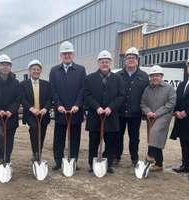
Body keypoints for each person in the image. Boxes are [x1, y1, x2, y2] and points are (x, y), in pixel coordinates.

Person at [84, 50, 124, 173]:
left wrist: (110, 108)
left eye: (107, 61)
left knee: (111, 142)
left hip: (111, 116)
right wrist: (97, 107)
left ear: (110, 63)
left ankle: (108, 163)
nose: (104, 64)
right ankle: (92, 163)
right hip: (95, 116)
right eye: (102, 62)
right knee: (94, 142)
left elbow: (121, 96)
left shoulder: (118, 79)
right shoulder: (90, 78)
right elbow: (87, 95)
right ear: (98, 63)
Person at [49, 41, 86, 170]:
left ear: (73, 54)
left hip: (76, 111)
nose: (67, 55)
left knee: (75, 138)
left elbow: (83, 89)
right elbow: (52, 90)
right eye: (64, 53)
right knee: (59, 138)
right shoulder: (54, 71)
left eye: (69, 53)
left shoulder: (81, 70)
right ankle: (58, 161)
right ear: (61, 55)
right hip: (60, 111)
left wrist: (77, 105)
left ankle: (73, 161)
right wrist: (58, 105)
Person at [116, 47, 149, 166]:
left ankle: (134, 158)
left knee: (134, 137)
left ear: (137, 60)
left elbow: (147, 95)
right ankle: (116, 156)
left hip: (135, 113)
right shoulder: (118, 75)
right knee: (118, 136)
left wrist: (145, 112)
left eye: (133, 58)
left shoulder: (144, 76)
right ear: (125, 60)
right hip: (119, 112)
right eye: (128, 57)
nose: (131, 60)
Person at [140, 65, 176, 171]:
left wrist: (157, 113)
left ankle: (150, 155)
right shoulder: (147, 89)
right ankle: (159, 164)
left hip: (164, 116)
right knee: (156, 139)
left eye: (157, 75)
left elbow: (171, 103)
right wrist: (148, 112)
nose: (155, 78)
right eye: (152, 76)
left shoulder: (169, 88)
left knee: (154, 133)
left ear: (162, 76)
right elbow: (143, 103)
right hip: (150, 116)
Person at [20, 60, 52, 161]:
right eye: (34, 69)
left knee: (42, 133)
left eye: (38, 69)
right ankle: (35, 153)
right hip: (30, 114)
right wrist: (31, 108)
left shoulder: (46, 84)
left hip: (43, 114)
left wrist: (45, 109)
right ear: (29, 71)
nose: (36, 71)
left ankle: (39, 151)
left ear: (40, 71)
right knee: (34, 129)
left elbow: (49, 99)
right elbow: (22, 98)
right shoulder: (23, 84)